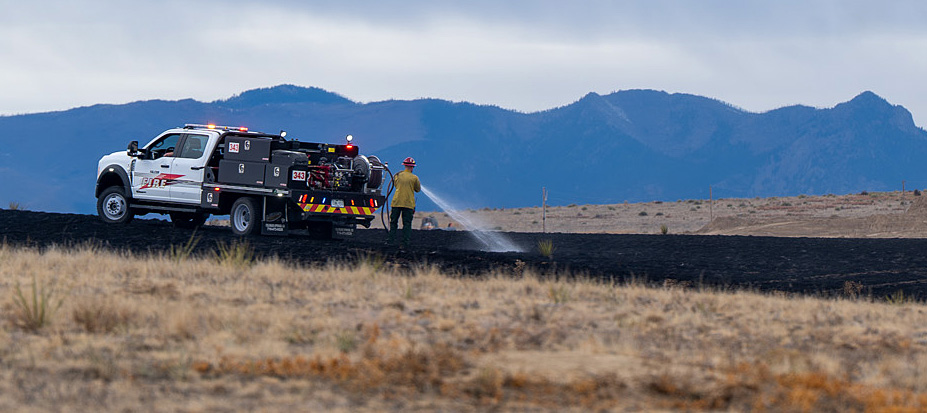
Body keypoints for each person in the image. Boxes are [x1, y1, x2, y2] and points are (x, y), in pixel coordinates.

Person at [387, 157, 421, 248]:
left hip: (396, 202)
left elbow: (395, 185)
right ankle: (405, 243)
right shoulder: (415, 178)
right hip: (408, 204)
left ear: (404, 166)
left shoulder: (397, 175)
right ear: (412, 167)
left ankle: (390, 240)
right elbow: (418, 189)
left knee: (393, 222)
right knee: (407, 224)